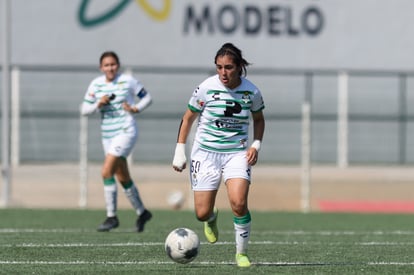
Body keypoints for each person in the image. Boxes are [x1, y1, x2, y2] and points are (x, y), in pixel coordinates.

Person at [172, 43, 265, 267]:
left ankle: (241, 253)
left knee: (239, 202)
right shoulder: (206, 88)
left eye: (229, 67)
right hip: (205, 154)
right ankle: (211, 217)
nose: (223, 72)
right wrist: (179, 151)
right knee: (201, 213)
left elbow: (259, 120)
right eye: (219, 67)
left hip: (236, 153)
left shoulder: (251, 91)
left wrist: (255, 145)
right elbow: (187, 118)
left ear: (239, 67)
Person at [81, 51, 153, 232]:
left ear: (118, 65)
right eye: (106, 65)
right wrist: (98, 104)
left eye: (113, 64)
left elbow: (147, 97)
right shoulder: (96, 84)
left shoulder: (128, 80)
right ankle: (142, 212)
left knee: (106, 172)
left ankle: (111, 217)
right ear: (101, 68)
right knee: (123, 176)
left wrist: (135, 108)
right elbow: (84, 109)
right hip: (108, 136)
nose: (110, 68)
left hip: (126, 131)